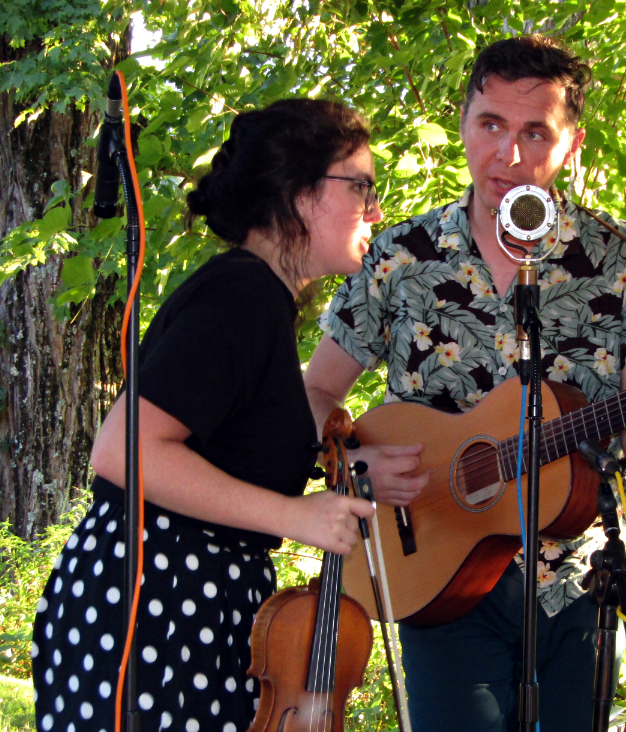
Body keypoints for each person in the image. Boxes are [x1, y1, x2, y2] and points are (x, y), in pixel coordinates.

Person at [305, 35, 626, 732]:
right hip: (436, 572)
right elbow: (313, 394)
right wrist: (355, 467)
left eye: (534, 133)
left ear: (571, 146)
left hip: (583, 584)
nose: (508, 157)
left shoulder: (624, 260)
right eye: (490, 126)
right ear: (462, 126)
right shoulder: (400, 258)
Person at [31, 98, 379, 732]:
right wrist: (295, 517)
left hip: (186, 603)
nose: (374, 210)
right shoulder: (241, 295)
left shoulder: (260, 301)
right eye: (360, 187)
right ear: (301, 195)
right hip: (155, 607)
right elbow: (124, 451)